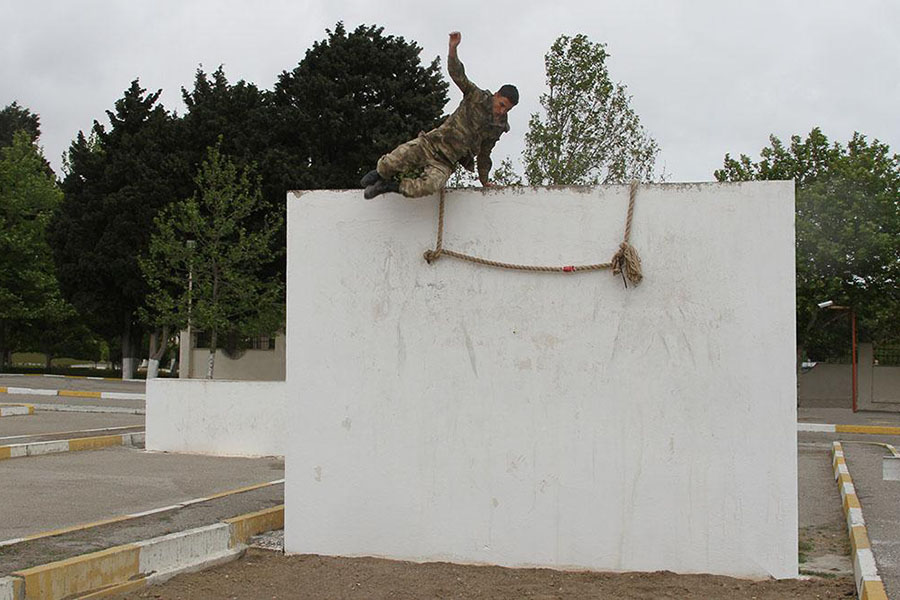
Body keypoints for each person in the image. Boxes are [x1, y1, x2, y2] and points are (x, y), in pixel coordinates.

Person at [361, 31, 518, 199]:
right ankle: (380, 174)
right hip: (431, 144)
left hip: (446, 162)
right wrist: (452, 49)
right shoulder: (476, 97)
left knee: (427, 187)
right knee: (391, 162)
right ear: (496, 95)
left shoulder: (498, 127)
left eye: (507, 110)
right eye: (501, 105)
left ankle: (388, 186)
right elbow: (458, 75)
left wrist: (484, 180)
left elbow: (485, 153)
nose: (502, 111)